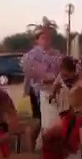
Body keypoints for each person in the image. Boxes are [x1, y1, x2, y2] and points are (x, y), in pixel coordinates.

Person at [22, 19, 63, 149]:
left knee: (53, 117)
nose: (46, 40)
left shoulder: (56, 54)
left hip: (54, 89)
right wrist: (45, 78)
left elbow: (62, 69)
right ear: (37, 40)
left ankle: (53, 145)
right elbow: (30, 72)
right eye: (43, 38)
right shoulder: (31, 55)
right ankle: (30, 143)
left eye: (48, 38)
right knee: (39, 119)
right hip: (38, 90)